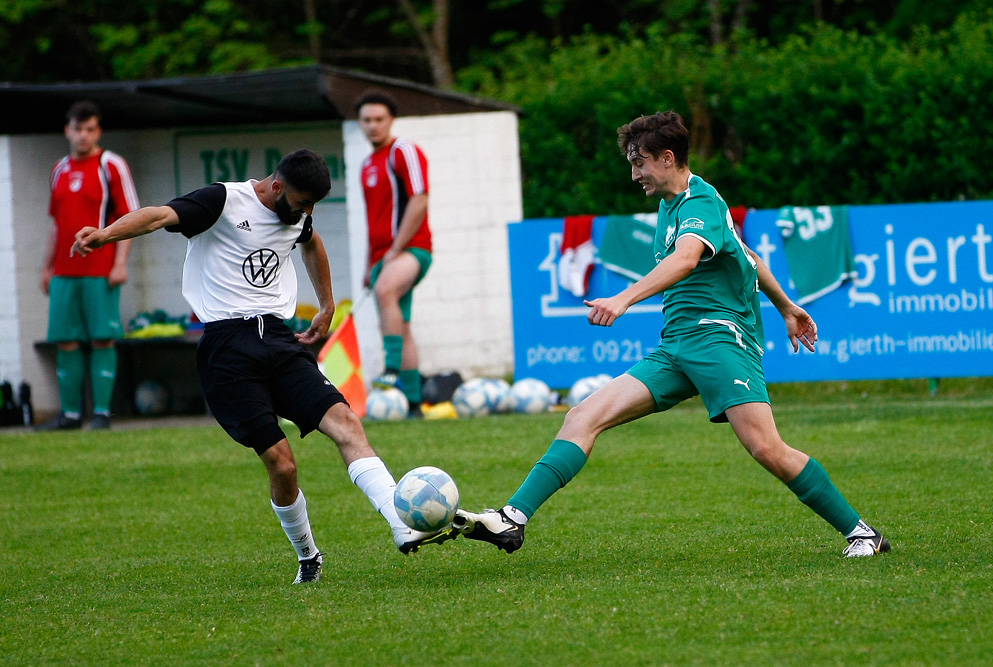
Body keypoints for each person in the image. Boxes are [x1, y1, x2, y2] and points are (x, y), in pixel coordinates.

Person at [453, 111, 890, 559]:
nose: (634, 174)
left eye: (639, 163)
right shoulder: (671, 206)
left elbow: (684, 261)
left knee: (765, 447)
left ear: (667, 158)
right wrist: (787, 307)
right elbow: (748, 255)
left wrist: (622, 300)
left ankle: (862, 533)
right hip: (677, 346)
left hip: (719, 340)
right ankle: (513, 518)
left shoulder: (699, 202)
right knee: (582, 416)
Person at [71, 150, 457, 584]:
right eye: (301, 202)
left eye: (312, 205)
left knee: (347, 423)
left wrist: (327, 304)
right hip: (226, 349)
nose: (305, 213)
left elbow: (311, 241)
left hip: (278, 339)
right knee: (283, 464)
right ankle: (308, 556)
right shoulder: (222, 201)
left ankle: (400, 522)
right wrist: (105, 234)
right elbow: (158, 215)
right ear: (277, 186)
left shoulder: (297, 215)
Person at [38, 101, 139, 430]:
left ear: (99, 132)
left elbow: (130, 218)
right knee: (64, 340)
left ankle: (102, 413)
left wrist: (120, 262)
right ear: (68, 131)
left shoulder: (111, 165)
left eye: (90, 129)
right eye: (78, 129)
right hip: (64, 274)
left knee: (101, 338)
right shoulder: (59, 169)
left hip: (100, 269)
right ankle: (69, 415)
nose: (83, 136)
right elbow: (56, 225)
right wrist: (47, 266)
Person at [355, 90, 433, 419]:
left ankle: (390, 370)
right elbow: (373, 221)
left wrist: (396, 250)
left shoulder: (403, 150)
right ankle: (414, 403)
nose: (373, 126)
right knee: (402, 325)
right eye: (367, 120)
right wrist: (367, 264)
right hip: (383, 257)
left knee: (387, 289)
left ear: (391, 121)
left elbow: (419, 199)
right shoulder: (366, 164)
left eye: (379, 119)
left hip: (413, 249)